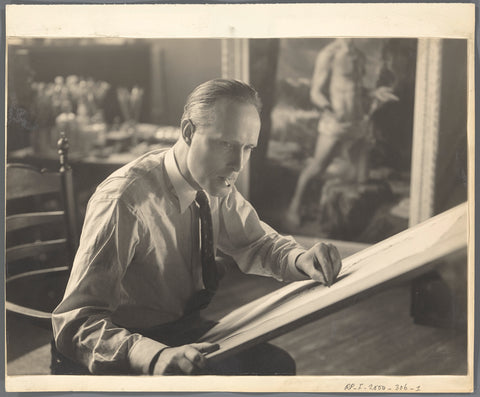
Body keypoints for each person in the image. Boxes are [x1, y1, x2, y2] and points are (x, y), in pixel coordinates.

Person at [52, 79, 342, 376]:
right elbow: (76, 322)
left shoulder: (211, 183)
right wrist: (153, 355)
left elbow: (257, 243)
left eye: (247, 148)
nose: (238, 164)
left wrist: (299, 258)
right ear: (189, 132)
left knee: (276, 366)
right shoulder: (124, 200)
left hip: (182, 330)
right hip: (127, 346)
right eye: (226, 144)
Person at [286, 39, 398, 228]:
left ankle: (336, 211)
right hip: (336, 123)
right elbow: (315, 92)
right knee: (316, 167)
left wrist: (375, 92)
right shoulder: (328, 55)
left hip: (357, 122)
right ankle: (294, 208)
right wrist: (329, 109)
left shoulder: (359, 56)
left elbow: (355, 88)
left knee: (360, 178)